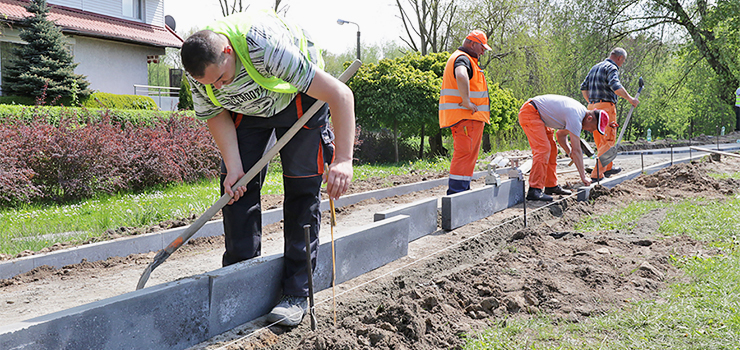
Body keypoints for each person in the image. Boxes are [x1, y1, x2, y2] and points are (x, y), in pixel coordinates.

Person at [180, 9, 355, 327]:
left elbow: (340, 94)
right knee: (236, 191)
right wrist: (234, 167)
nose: (217, 87)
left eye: (221, 78)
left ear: (228, 52)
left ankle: (296, 293)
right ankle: (240, 282)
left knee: (302, 191)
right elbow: (216, 114)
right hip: (248, 109)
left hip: (298, 97)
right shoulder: (200, 76)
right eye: (211, 84)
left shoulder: (264, 47)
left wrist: (343, 160)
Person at [518, 95, 608, 201]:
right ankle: (534, 190)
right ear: (590, 118)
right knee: (543, 149)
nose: (591, 131)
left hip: (539, 115)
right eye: (593, 128)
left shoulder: (579, 114)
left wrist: (570, 152)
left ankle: (551, 185)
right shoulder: (576, 116)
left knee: (552, 150)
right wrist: (583, 177)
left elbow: (560, 135)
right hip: (531, 112)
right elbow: (577, 150)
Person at [438, 30, 492, 195]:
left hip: (468, 118)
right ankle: (456, 193)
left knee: (468, 155)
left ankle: (461, 191)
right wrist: (467, 101)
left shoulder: (464, 58)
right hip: (466, 117)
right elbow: (461, 75)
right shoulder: (463, 59)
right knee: (465, 154)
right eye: (481, 47)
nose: (483, 51)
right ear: (472, 44)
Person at [580, 47, 639, 181]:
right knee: (608, 140)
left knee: (600, 141)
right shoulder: (612, 68)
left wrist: (591, 103)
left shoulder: (595, 67)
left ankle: (607, 167)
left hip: (592, 108)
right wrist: (630, 99)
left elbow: (584, 87)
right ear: (620, 58)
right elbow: (615, 86)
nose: (622, 64)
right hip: (606, 108)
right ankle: (597, 174)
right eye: (623, 61)